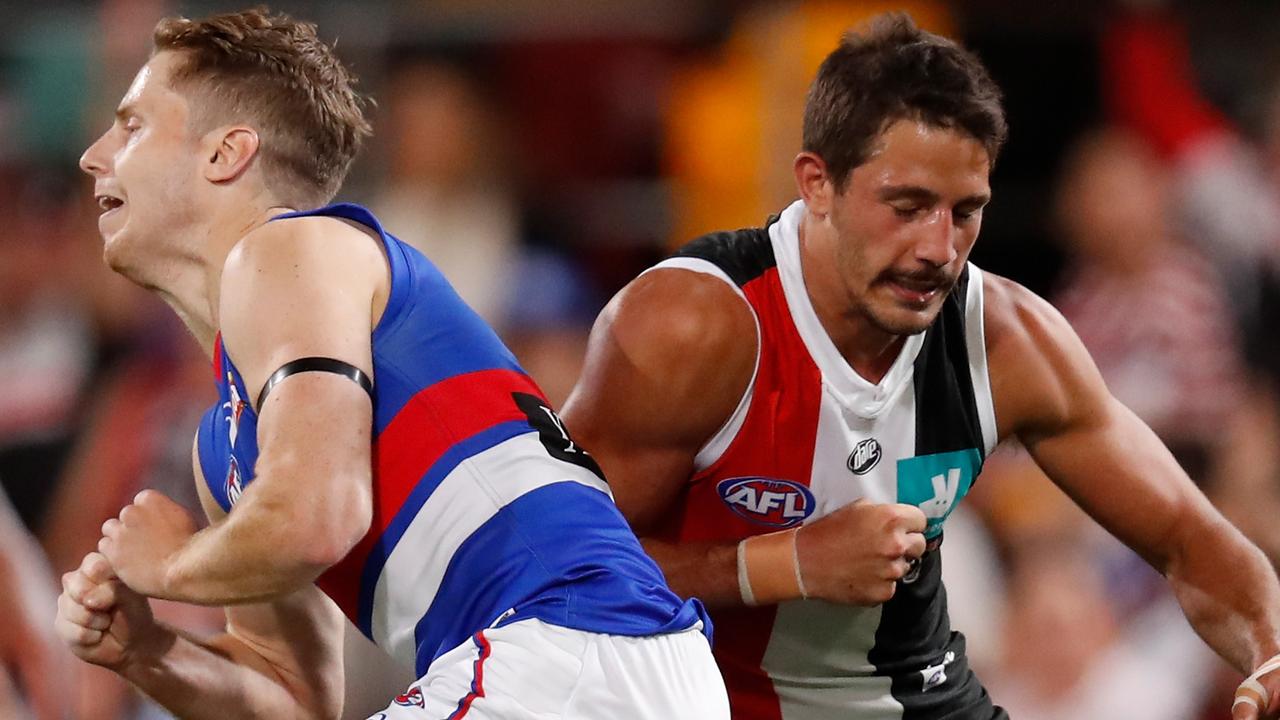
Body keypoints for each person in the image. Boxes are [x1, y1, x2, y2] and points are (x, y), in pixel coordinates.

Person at [560, 13, 1280, 720]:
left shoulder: (1009, 341)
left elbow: (1192, 542)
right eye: (907, 206)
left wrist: (1269, 650)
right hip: (698, 703)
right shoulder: (693, 327)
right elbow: (550, 566)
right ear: (816, 184)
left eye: (966, 211)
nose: (940, 247)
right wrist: (785, 564)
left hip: (915, 697)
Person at [55, 8, 729, 720]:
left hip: (558, 650)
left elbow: (319, 517)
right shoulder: (225, 444)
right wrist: (147, 651)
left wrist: (166, 568)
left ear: (226, 154)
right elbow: (293, 697)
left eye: (131, 126)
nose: (92, 155)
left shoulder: (288, 248)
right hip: (617, 668)